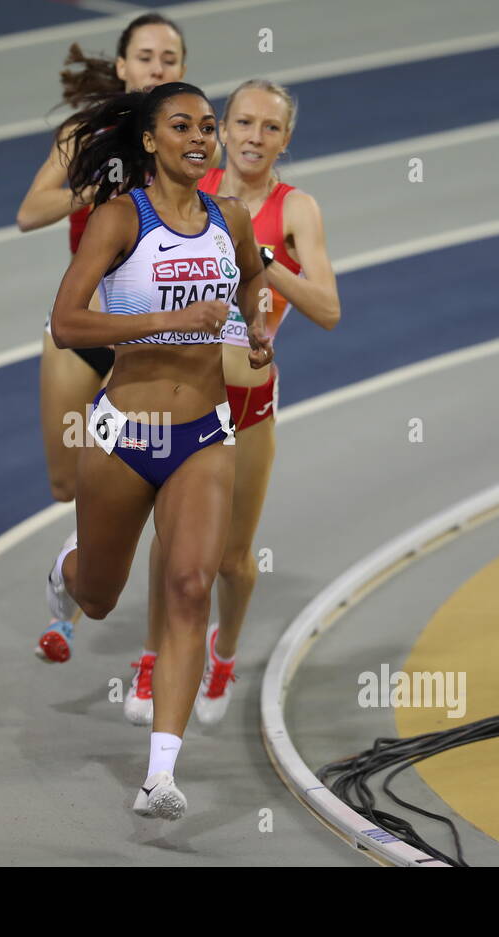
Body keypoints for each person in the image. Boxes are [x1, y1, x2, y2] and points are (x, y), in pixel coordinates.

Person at [42, 82, 273, 819]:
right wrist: (165, 321)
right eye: (182, 126)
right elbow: (68, 323)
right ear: (150, 141)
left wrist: (257, 327)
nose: (201, 136)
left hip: (205, 432)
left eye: (208, 125)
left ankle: (161, 775)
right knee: (101, 597)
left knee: (187, 588)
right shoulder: (119, 219)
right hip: (126, 434)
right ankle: (66, 571)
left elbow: (254, 281)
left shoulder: (229, 218)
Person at [124, 79, 342, 727]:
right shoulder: (191, 187)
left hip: (247, 402)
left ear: (285, 140)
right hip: (185, 392)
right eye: (242, 123)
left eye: (269, 128)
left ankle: (224, 649)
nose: (253, 137)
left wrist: (264, 262)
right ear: (222, 128)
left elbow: (328, 309)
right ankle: (152, 657)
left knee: (230, 559)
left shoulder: (296, 209)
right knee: (169, 541)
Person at [17, 13, 190, 661]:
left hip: (144, 342)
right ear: (122, 67)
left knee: (134, 474)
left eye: (169, 58)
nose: (157, 68)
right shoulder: (83, 133)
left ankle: (83, 576)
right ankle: (77, 562)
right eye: (145, 56)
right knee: (67, 483)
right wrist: (93, 186)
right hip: (78, 327)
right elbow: (29, 212)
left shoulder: (188, 139)